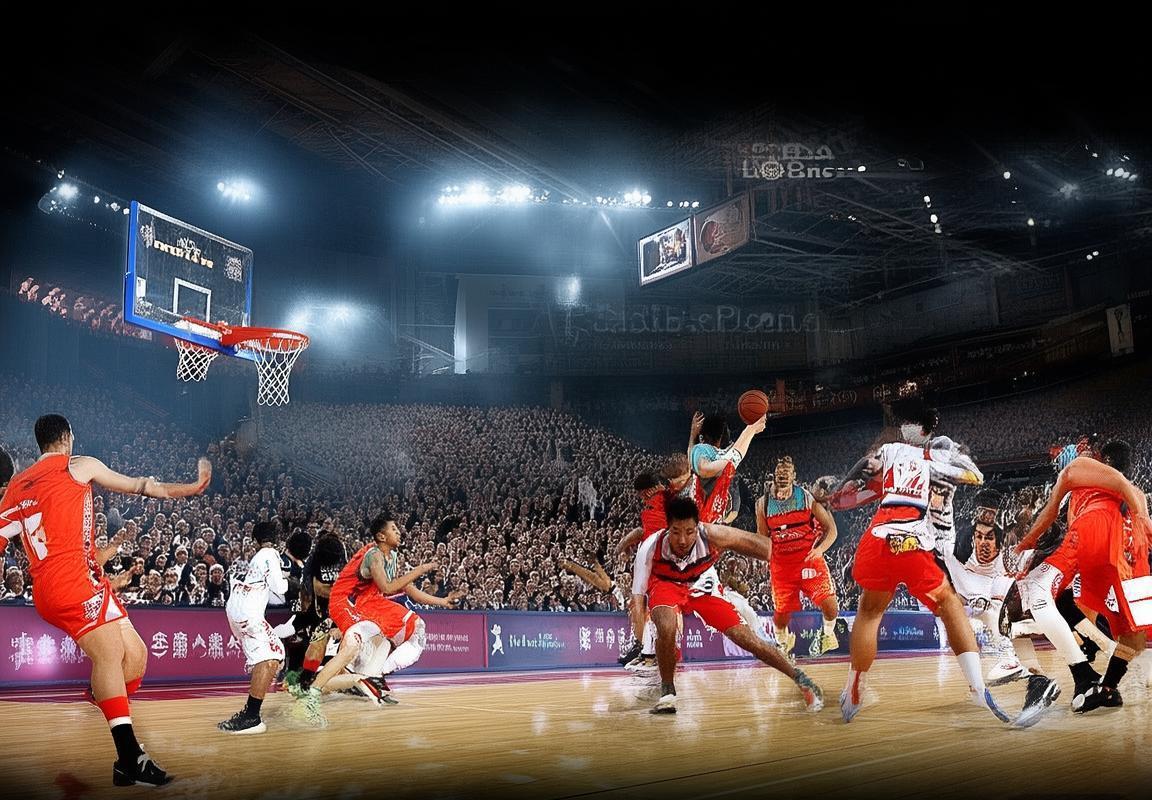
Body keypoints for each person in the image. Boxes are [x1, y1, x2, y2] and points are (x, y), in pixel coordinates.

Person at [0, 414, 210, 786]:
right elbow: (141, 486)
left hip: (77, 582)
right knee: (110, 655)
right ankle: (129, 758)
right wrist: (189, 488)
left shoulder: (16, 486)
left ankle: (103, 696)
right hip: (72, 583)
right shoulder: (78, 466)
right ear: (67, 437)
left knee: (136, 655)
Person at [830, 398, 1055, 726]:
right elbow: (974, 476)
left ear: (909, 428)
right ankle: (977, 688)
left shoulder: (891, 451)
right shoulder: (936, 456)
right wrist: (946, 461)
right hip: (912, 539)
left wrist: (843, 489)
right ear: (928, 431)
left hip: (879, 536)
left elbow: (860, 474)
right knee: (950, 606)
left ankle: (853, 689)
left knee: (869, 612)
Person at [631, 496, 823, 715]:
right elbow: (637, 598)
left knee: (747, 639)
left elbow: (763, 546)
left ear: (698, 527)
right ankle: (667, 692)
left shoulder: (713, 535)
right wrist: (640, 636)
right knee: (666, 626)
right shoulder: (650, 547)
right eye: (676, 532)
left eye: (689, 532)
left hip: (702, 585)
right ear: (667, 528)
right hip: (666, 584)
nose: (683, 540)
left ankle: (801, 679)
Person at [1014, 439, 1150, 713]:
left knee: (1038, 591)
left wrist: (1026, 542)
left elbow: (1051, 514)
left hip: (1095, 530)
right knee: (1133, 635)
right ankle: (1106, 688)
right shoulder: (1138, 494)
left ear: (1103, 461)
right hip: (1131, 545)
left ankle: (1083, 670)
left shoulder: (1080, 472)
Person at [294, 511, 463, 725]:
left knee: (394, 635)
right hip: (345, 600)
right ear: (381, 536)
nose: (399, 532)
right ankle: (314, 691)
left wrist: (442, 601)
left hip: (368, 601)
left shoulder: (391, 557)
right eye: (394, 529)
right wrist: (421, 569)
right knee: (352, 648)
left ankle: (369, 677)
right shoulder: (374, 556)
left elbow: (407, 588)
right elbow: (388, 587)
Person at [755, 455, 841, 659]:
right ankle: (783, 643)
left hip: (808, 559)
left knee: (830, 605)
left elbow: (831, 530)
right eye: (779, 472)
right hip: (782, 565)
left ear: (794, 476)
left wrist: (820, 550)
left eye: (787, 473)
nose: (783, 476)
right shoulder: (763, 504)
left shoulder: (806, 498)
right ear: (774, 475)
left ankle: (827, 635)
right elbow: (762, 538)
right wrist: (764, 559)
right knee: (781, 616)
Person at [218, 520, 292, 734]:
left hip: (237, 610)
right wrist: (291, 582)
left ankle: (250, 713)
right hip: (248, 613)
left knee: (272, 654)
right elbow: (279, 588)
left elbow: (268, 590)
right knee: (272, 656)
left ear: (255, 540)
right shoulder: (269, 554)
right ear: (275, 539)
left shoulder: (256, 557)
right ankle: (251, 717)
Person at [689, 413, 766, 524]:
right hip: (700, 524)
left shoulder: (718, 453)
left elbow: (693, 456)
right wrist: (750, 430)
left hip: (711, 523)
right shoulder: (702, 449)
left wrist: (751, 430)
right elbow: (704, 469)